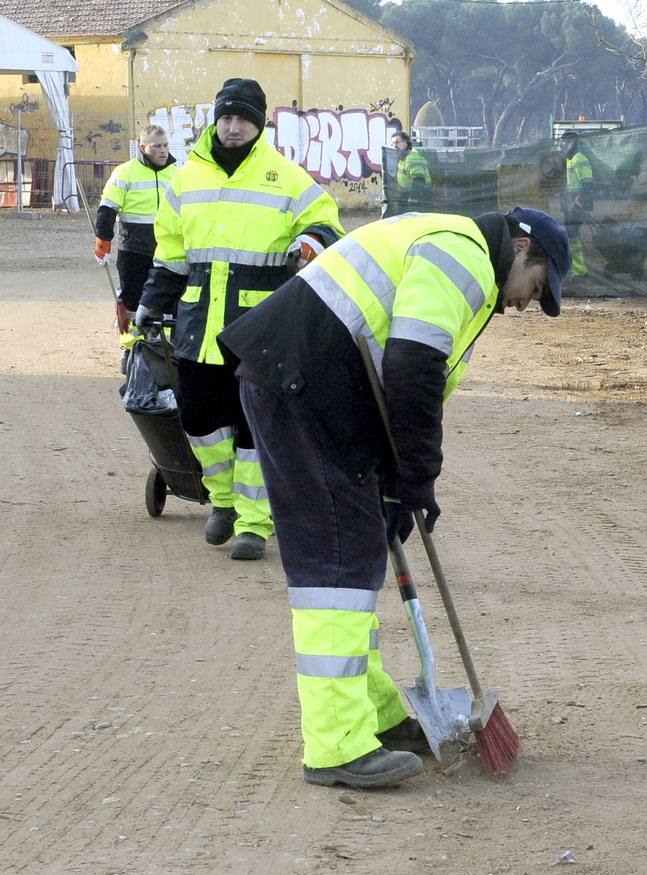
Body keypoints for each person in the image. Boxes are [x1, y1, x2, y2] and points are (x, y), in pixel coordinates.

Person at [218, 207, 571, 788]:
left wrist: (392, 485)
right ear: (523, 247)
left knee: (358, 557)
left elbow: (398, 375)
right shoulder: (461, 254)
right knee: (335, 571)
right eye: (535, 288)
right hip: (302, 387)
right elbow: (413, 367)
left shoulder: (470, 276)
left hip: (320, 391)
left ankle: (374, 719)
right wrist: (416, 476)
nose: (524, 305)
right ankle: (335, 748)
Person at [134, 78, 343, 561]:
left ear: (259, 123)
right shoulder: (186, 179)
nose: (233, 127)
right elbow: (171, 256)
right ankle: (223, 503)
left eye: (243, 119)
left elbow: (326, 221)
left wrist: (312, 239)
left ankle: (255, 523)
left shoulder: (287, 177)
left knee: (256, 427)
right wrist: (149, 305)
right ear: (216, 120)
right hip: (198, 326)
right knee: (201, 422)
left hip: (261, 330)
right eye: (226, 117)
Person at [96, 124, 176, 334]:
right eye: (156, 146)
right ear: (142, 148)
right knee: (131, 303)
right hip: (134, 251)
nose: (163, 150)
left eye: (165, 145)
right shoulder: (125, 172)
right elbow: (107, 209)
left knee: (166, 302)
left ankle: (162, 346)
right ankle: (131, 348)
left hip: (169, 252)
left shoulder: (177, 174)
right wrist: (103, 245)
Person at [560, 130, 592, 277]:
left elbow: (587, 185)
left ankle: (579, 272)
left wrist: (577, 202)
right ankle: (575, 269)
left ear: (571, 143)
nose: (562, 144)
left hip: (576, 205)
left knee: (573, 237)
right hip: (570, 204)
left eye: (564, 141)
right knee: (571, 237)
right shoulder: (570, 159)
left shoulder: (580, 159)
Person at [390, 131, 431, 214]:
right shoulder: (402, 156)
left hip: (420, 198)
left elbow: (419, 179)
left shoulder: (412, 156)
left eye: (397, 142)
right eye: (393, 143)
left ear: (405, 142)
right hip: (408, 197)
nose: (394, 146)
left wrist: (413, 201)